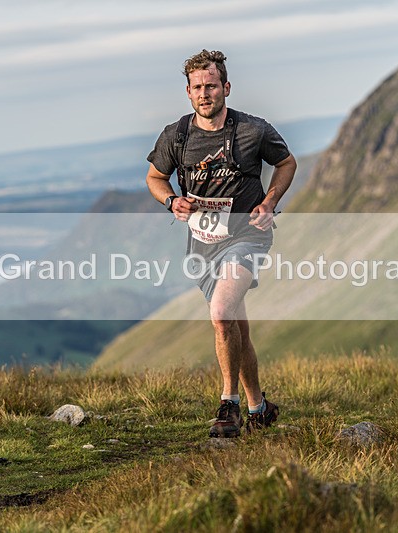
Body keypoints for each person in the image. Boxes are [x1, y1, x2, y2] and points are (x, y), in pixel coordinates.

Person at [146, 50, 297, 438]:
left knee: (221, 311)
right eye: (197, 87)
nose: (204, 93)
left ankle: (228, 406)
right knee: (235, 325)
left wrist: (269, 202)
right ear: (188, 92)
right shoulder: (175, 135)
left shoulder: (253, 130)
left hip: (248, 235)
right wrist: (170, 200)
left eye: (211, 85)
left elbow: (286, 163)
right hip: (202, 243)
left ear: (226, 88)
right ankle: (259, 408)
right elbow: (155, 177)